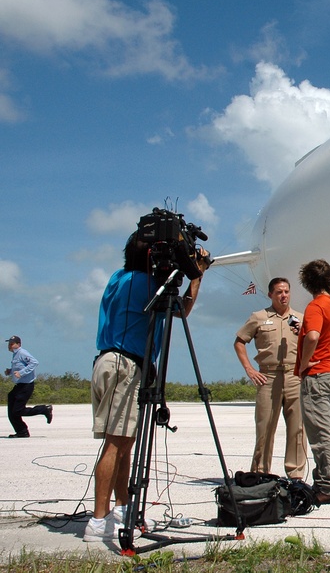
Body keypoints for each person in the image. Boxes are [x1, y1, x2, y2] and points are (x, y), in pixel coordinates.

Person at [87, 231, 211, 542]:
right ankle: (98, 520)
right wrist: (195, 276)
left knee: (125, 443)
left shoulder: (118, 278)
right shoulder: (150, 285)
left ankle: (121, 507)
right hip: (126, 365)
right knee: (115, 445)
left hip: (105, 362)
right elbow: (181, 310)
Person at [233, 277, 307, 479]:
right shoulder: (259, 317)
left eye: (286, 292)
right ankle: (260, 473)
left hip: (294, 376)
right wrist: (249, 369)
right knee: (265, 427)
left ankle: (296, 475)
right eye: (279, 292)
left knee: (297, 429)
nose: (283, 295)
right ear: (270, 295)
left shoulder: (300, 319)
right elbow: (239, 342)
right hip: (268, 376)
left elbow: (313, 345)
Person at [295, 259, 330, 505]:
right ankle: (324, 481)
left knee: (321, 434)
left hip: (318, 375)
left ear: (307, 282)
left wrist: (305, 362)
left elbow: (314, 335)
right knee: (326, 431)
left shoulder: (315, 306)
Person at [5, 336, 53, 437]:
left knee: (17, 410)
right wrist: (10, 371)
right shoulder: (15, 355)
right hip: (19, 385)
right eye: (9, 344)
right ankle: (22, 431)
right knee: (11, 403)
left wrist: (22, 373)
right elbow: (19, 367)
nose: (10, 346)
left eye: (12, 343)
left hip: (26, 386)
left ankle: (44, 409)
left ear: (18, 344)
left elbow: (34, 362)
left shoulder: (22, 353)